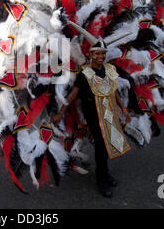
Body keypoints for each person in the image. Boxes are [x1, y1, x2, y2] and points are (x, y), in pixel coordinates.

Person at [51, 40, 131, 198]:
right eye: (97, 53)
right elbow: (73, 95)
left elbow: (113, 91)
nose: (100, 56)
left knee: (108, 144)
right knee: (101, 146)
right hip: (94, 115)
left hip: (109, 113)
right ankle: (101, 179)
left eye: (102, 53)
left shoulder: (110, 69)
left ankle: (105, 174)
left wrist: (124, 108)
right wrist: (61, 113)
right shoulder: (85, 74)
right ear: (91, 55)